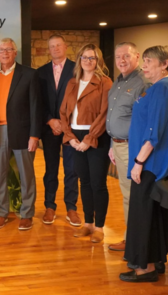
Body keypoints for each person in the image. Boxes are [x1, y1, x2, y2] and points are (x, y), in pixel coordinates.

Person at [120, 46, 168, 283]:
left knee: (141, 214)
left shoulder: (162, 90)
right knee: (154, 213)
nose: (144, 65)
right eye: (143, 61)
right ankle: (156, 260)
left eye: (148, 61)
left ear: (164, 64)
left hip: (150, 164)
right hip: (156, 164)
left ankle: (143, 268)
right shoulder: (166, 88)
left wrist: (138, 162)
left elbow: (153, 132)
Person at [0, 38, 42, 231]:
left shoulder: (29, 74)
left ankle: (27, 214)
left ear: (15, 52)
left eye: (9, 49)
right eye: (1, 50)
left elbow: (36, 106)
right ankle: (1, 213)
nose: (5, 53)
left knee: (26, 175)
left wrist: (34, 135)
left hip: (23, 132)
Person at [60, 44, 112, 243]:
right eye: (84, 57)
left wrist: (89, 140)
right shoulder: (72, 83)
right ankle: (88, 224)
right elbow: (64, 112)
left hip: (96, 137)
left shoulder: (105, 83)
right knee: (85, 182)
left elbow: (104, 114)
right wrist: (70, 136)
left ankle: (99, 227)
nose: (88, 61)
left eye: (92, 58)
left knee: (98, 184)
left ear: (98, 61)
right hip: (75, 137)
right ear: (79, 59)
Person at [106, 42, 149, 251]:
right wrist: (111, 145)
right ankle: (130, 238)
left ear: (137, 57)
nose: (121, 61)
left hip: (132, 148)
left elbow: (146, 122)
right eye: (118, 57)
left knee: (132, 195)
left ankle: (133, 242)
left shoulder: (143, 83)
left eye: (126, 56)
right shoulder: (119, 82)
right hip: (118, 145)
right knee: (127, 194)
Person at [37, 35, 80, 226]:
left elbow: (80, 99)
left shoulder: (77, 70)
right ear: (49, 49)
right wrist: (50, 120)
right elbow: (38, 101)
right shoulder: (40, 72)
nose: (55, 48)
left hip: (71, 128)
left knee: (72, 169)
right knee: (50, 169)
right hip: (49, 128)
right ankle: (49, 206)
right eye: (51, 46)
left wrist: (64, 123)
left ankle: (71, 208)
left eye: (58, 45)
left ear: (66, 47)